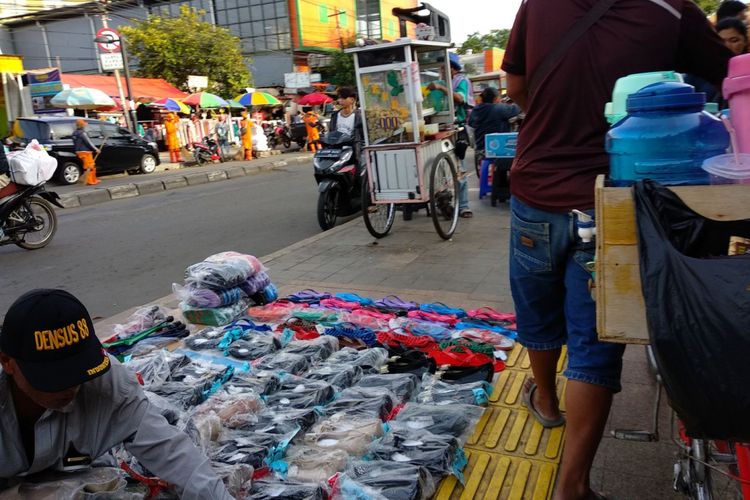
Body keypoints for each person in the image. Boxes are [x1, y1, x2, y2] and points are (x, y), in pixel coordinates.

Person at [502, 1, 732, 498]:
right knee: (595, 340)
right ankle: (573, 485)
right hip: (614, 197)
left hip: (535, 185)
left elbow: (516, 86)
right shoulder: (672, 10)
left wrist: (551, 123)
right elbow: (730, 73)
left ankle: (545, 398)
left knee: (538, 309)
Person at [0, 289, 233, 499]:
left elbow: (174, 453)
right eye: (56, 377)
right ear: (7, 362)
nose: (71, 386)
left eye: (78, 372)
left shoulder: (108, 384)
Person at [428, 52, 475, 218]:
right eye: (440, 67)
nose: (441, 70)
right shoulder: (442, 81)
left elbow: (460, 99)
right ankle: (445, 202)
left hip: (457, 128)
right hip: (438, 126)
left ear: (453, 68)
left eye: (444, 67)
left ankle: (463, 206)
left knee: (458, 167)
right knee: (440, 168)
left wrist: (441, 88)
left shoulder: (461, 81)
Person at [468, 87, 521, 154]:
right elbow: (517, 109)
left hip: (480, 149)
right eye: (500, 98)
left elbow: (471, 124)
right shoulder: (498, 108)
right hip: (497, 150)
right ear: (495, 99)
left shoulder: (475, 110)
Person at [72, 119, 101, 186]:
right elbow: (88, 142)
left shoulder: (74, 133)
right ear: (82, 125)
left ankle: (91, 179)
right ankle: (91, 181)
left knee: (86, 166)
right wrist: (96, 149)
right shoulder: (82, 133)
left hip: (79, 152)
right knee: (90, 166)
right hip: (86, 152)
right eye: (84, 125)